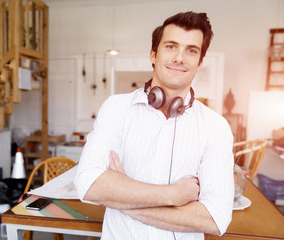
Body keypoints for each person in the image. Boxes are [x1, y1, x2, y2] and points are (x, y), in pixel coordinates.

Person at [74, 11, 234, 240]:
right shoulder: (116, 108)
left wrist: (122, 197)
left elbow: (215, 218)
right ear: (153, 54)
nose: (180, 57)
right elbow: (88, 184)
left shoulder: (215, 127)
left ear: (199, 64)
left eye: (191, 50)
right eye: (171, 46)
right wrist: (174, 195)